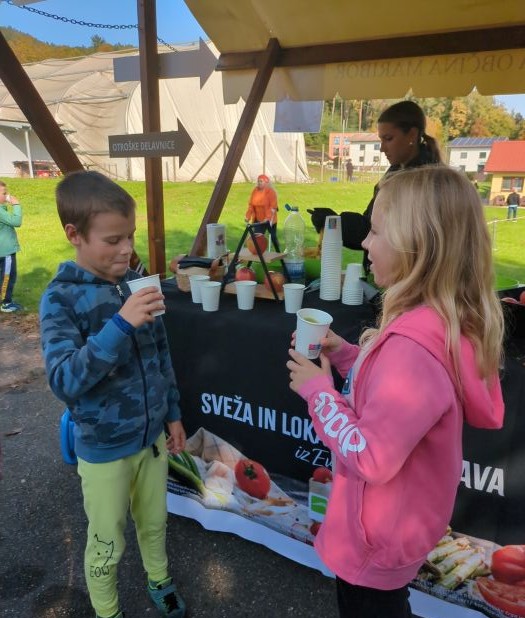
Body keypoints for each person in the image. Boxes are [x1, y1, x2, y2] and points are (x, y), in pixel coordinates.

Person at [287, 166, 504, 618]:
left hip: (374, 540)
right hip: (393, 528)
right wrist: (346, 355)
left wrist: (318, 392)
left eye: (376, 232)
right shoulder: (435, 325)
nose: (365, 243)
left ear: (417, 247)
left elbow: (370, 456)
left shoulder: (412, 350)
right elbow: (393, 396)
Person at [39, 170, 186, 618]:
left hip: (151, 439)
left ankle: (160, 580)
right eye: (113, 239)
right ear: (74, 235)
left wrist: (172, 412)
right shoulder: (60, 299)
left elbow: (160, 353)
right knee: (107, 540)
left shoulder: (135, 281)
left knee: (155, 522)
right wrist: (120, 323)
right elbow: (64, 379)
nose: (127, 249)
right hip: (104, 449)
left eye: (131, 236)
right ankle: (107, 611)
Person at [309, 100, 442, 276]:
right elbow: (373, 225)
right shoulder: (398, 170)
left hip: (403, 278)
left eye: (389, 139)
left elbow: (383, 234)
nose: (382, 148)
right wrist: (335, 222)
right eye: (381, 140)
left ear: (412, 135)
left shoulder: (419, 182)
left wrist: (335, 223)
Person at [0, 181, 23, 313]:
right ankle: (6, 303)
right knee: (8, 277)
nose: (7, 195)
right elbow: (16, 221)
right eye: (4, 193)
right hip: (6, 252)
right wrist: (16, 204)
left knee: (3, 276)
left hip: (2, 251)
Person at [245, 174, 279, 249]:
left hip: (269, 219)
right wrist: (248, 216)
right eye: (258, 181)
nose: (259, 183)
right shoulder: (255, 191)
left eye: (261, 181)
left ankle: (278, 250)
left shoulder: (271, 192)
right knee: (257, 238)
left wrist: (268, 218)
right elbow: (251, 205)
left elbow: (273, 207)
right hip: (258, 220)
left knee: (273, 237)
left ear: (266, 182)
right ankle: (257, 252)